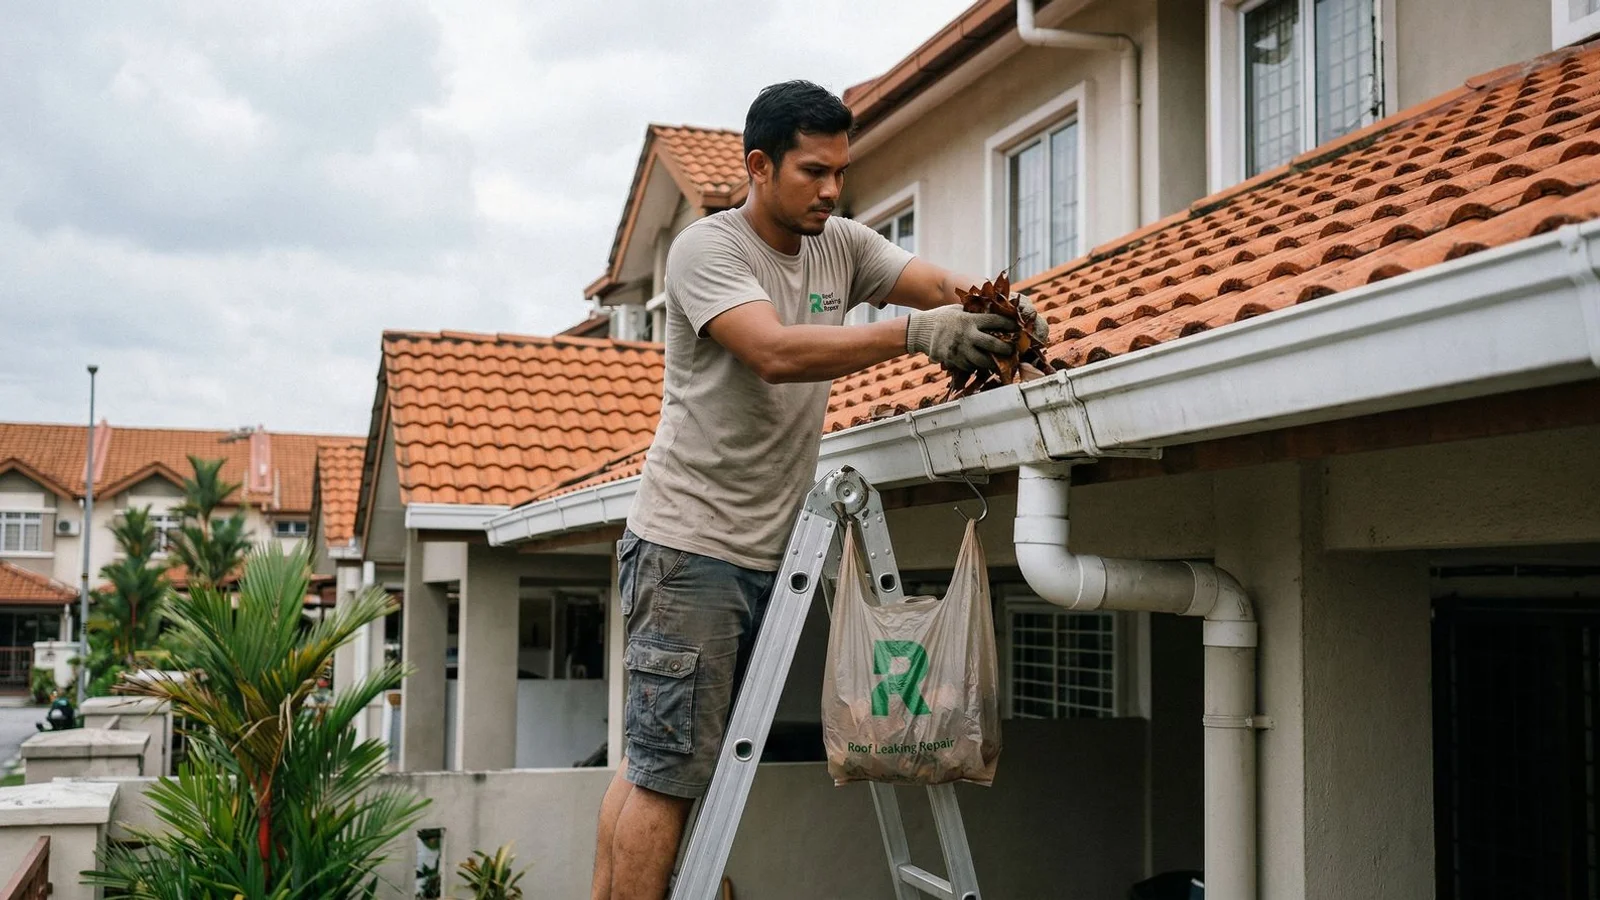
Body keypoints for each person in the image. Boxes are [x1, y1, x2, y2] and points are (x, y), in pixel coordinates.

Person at [590, 80, 1048, 900]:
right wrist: (915, 334)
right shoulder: (709, 251)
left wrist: (1000, 311)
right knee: (668, 775)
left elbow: (937, 285)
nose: (832, 190)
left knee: (655, 762)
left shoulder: (841, 243)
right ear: (760, 167)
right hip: (689, 548)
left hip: (756, 548)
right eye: (813, 171)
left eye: (841, 171)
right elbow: (773, 350)